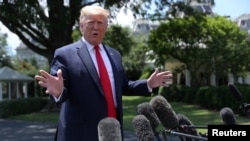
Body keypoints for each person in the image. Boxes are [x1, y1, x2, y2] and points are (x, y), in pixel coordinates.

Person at [34, 5, 173, 141]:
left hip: (113, 131)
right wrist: (58, 92)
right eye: (91, 23)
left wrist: (148, 84)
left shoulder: (114, 54)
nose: (96, 27)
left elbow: (123, 86)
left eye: (100, 23)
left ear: (106, 28)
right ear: (82, 26)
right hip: (80, 133)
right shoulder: (65, 54)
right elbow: (61, 90)